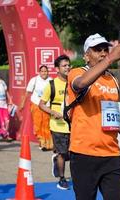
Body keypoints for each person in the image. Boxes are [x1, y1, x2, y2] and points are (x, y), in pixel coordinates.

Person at [67, 33, 120, 200]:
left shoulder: (113, 80)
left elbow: (111, 112)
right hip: (84, 154)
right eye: (97, 50)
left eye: (106, 49)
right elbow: (81, 84)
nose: (104, 53)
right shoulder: (77, 73)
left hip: (111, 155)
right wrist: (111, 58)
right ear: (86, 56)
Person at [39, 55, 71, 190]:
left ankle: (56, 160)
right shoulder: (51, 85)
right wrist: (53, 112)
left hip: (73, 125)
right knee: (63, 153)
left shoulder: (74, 83)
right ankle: (62, 179)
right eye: (64, 66)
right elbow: (41, 104)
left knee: (72, 154)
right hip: (57, 126)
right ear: (57, 69)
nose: (68, 67)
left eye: (69, 65)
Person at [19, 65, 53, 151]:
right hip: (36, 105)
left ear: (48, 72)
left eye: (45, 71)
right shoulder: (34, 80)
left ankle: (48, 144)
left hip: (47, 106)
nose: (44, 73)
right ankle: (41, 141)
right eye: (42, 71)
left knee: (47, 124)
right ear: (39, 72)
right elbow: (27, 92)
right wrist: (22, 103)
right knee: (38, 124)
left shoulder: (51, 80)